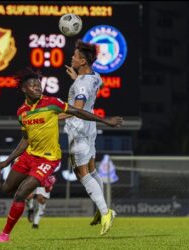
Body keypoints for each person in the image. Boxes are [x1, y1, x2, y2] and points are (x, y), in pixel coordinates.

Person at [0, 68, 123, 243]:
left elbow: (77, 111)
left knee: (21, 194)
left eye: (39, 85)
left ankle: (4, 234)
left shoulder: (51, 103)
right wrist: (7, 161)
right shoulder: (21, 112)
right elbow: (25, 139)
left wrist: (105, 121)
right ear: (24, 89)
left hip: (48, 158)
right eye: (34, 86)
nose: (38, 88)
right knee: (6, 189)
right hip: (28, 156)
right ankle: (44, 180)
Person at [60, 40, 118, 231]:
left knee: (81, 173)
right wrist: (76, 78)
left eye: (75, 56)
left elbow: (76, 109)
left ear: (83, 61)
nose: (72, 58)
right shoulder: (95, 76)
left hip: (78, 129)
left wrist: (51, 117)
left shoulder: (82, 84)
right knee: (92, 169)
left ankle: (105, 211)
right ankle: (101, 207)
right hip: (90, 127)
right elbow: (87, 88)